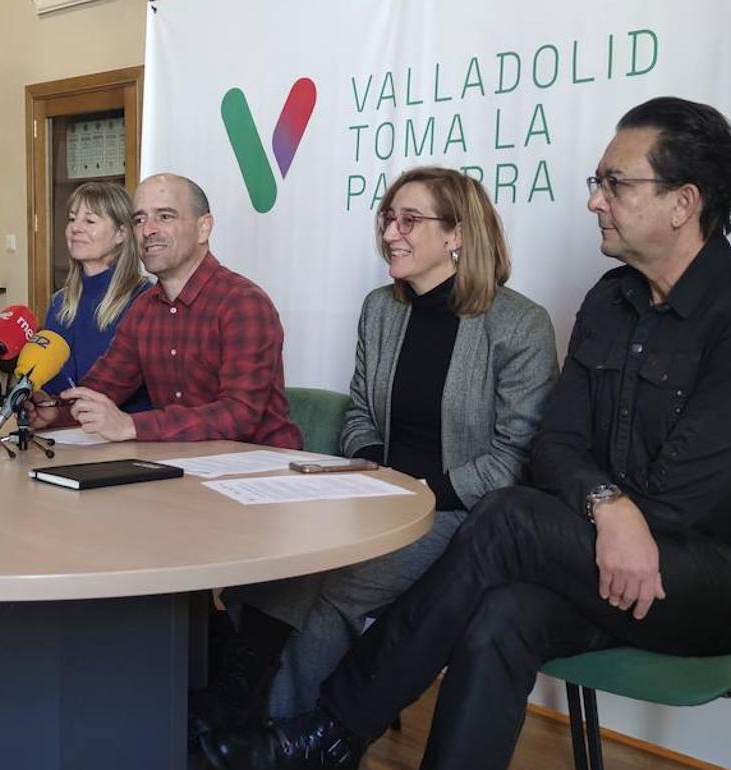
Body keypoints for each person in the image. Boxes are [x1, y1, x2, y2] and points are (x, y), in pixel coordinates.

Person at [201, 96, 731, 770]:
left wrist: (602, 505)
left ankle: (330, 730)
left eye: (615, 183)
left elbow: (681, 498)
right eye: (598, 183)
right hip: (616, 557)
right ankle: (307, 731)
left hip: (728, 581)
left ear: (683, 202)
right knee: (500, 617)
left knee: (507, 517)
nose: (594, 201)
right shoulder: (611, 303)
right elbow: (557, 445)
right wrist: (606, 505)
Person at [194, 168, 558, 740]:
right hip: (375, 494)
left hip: (460, 515)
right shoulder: (381, 309)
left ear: (458, 233)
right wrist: (373, 471)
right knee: (273, 570)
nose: (392, 231)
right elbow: (361, 413)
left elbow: (514, 461)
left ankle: (283, 742)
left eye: (410, 219)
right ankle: (231, 718)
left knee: (328, 595)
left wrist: (414, 492)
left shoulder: (519, 325)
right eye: (388, 217)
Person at [29, 173, 302, 449]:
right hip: (183, 466)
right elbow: (102, 387)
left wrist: (130, 425)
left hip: (260, 469)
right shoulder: (144, 311)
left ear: (203, 228)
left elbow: (239, 416)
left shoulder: (243, 303)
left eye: (165, 216)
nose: (148, 230)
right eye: (139, 219)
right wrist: (56, 413)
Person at [42, 181, 151, 410]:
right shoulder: (59, 303)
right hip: (64, 432)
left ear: (121, 233)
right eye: (72, 219)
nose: (76, 228)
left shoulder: (143, 299)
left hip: (124, 436)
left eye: (89, 221)